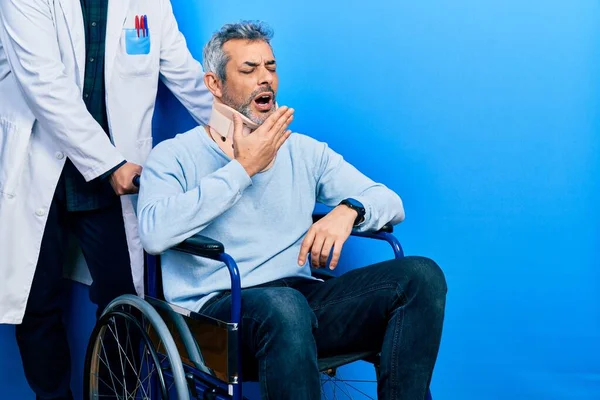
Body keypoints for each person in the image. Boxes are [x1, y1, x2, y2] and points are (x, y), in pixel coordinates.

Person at [137, 21, 447, 399]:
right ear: (215, 84)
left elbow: (389, 201)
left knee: (421, 276)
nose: (264, 79)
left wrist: (349, 210)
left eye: (270, 67)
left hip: (299, 300)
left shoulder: (302, 150)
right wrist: (243, 169)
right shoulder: (174, 155)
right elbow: (154, 232)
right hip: (215, 313)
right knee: (284, 305)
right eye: (249, 70)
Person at [0, 0, 213, 398]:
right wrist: (109, 163)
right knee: (36, 301)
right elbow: (42, 83)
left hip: (111, 174)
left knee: (124, 299)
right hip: (40, 161)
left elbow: (186, 76)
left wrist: (243, 130)